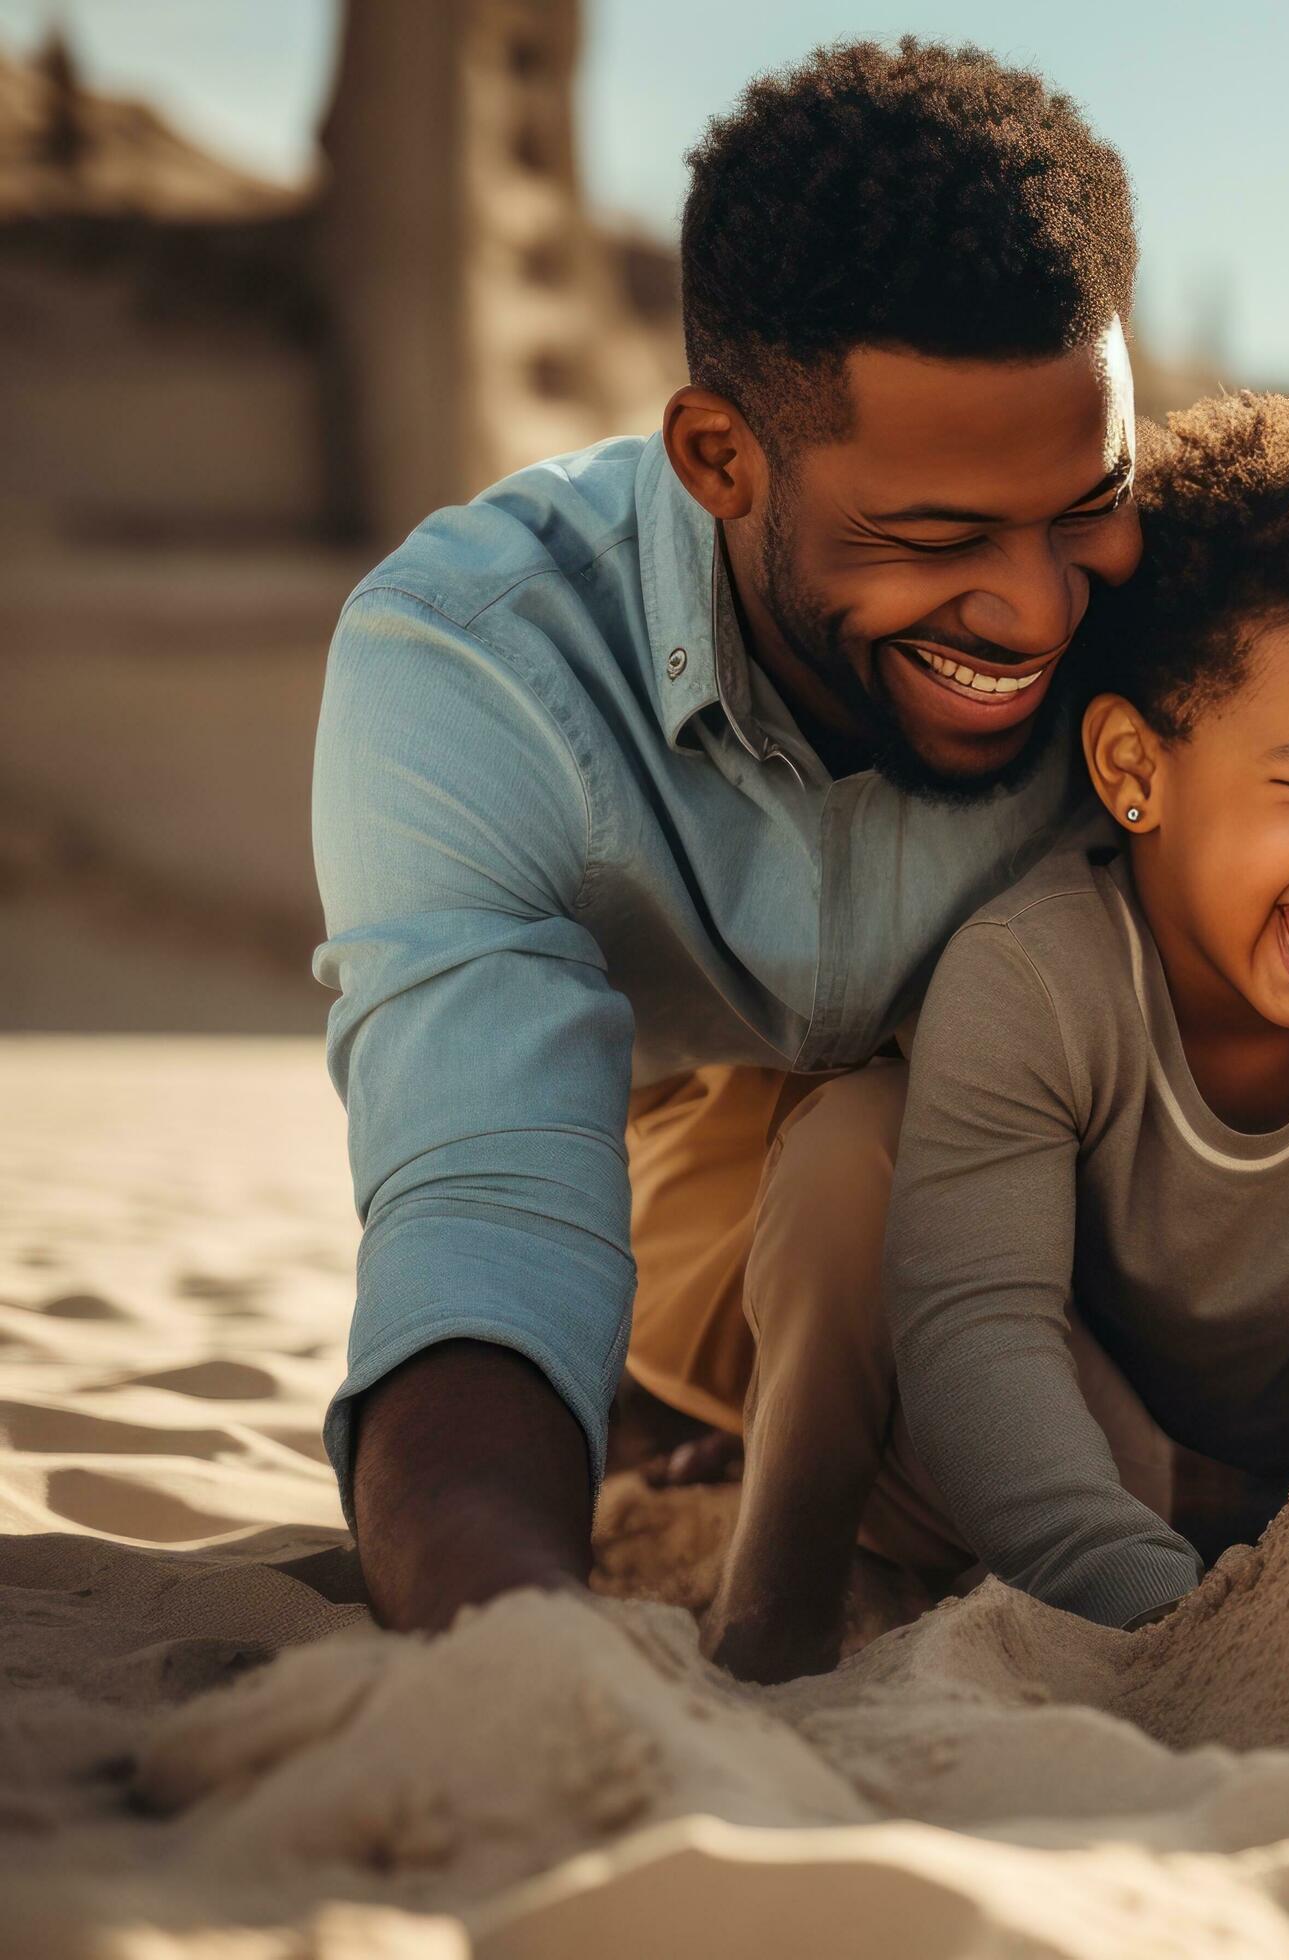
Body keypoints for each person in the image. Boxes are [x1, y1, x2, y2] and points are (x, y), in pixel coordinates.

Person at [311, 40, 1143, 1677]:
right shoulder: (479, 663)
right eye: (939, 537)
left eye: (1087, 504)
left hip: (1062, 1221)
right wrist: (522, 1659)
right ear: (717, 460)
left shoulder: (1195, 599)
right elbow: (483, 1216)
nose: (1042, 609)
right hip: (694, 1198)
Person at [845, 392, 1289, 1630]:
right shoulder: (1031, 976)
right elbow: (978, 1333)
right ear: (1133, 771)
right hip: (1058, 1476)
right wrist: (1159, 1612)